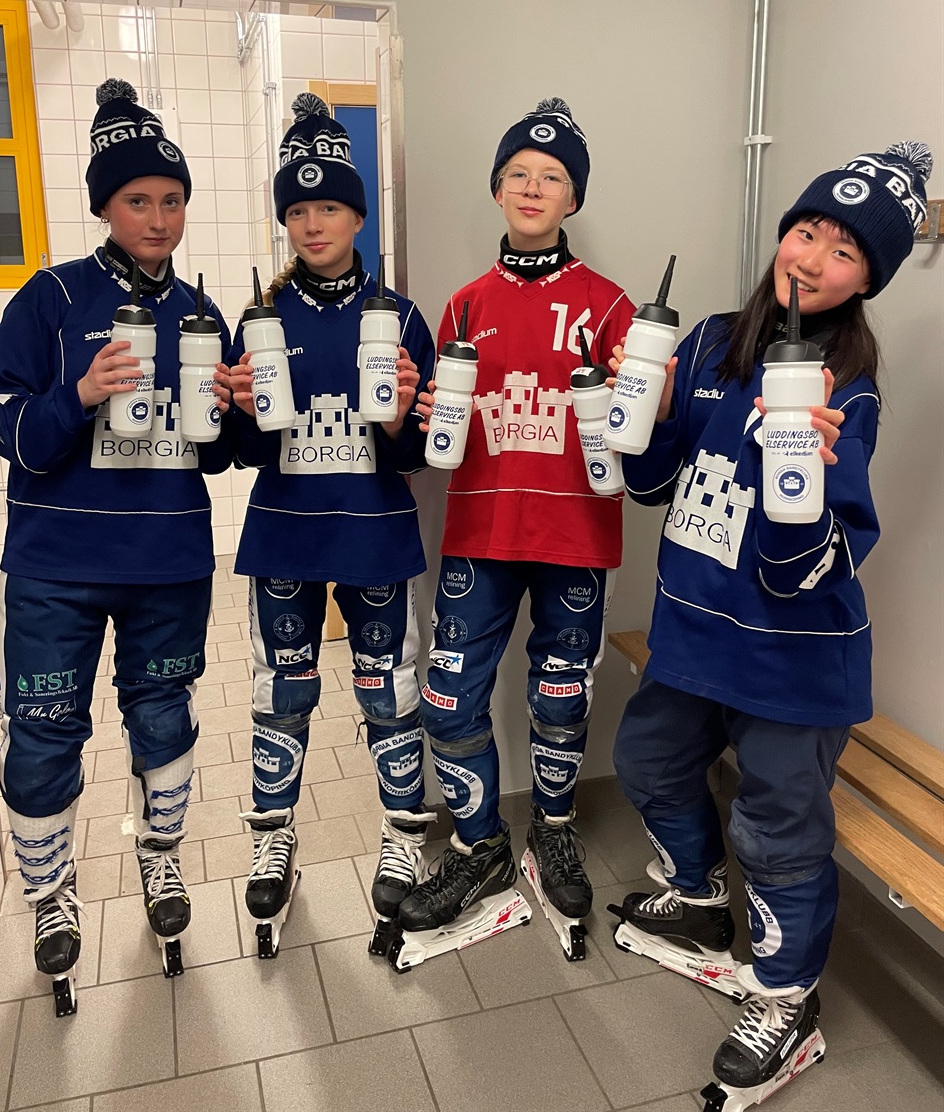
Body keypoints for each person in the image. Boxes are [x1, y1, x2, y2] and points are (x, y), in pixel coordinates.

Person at [609, 142, 933, 1100]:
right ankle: (702, 897)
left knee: (777, 829)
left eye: (845, 250)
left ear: (867, 279)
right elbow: (649, 483)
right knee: (647, 761)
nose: (814, 257)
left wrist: (811, 479)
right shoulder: (712, 338)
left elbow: (809, 568)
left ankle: (787, 1000)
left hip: (794, 659)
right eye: (808, 231)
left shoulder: (849, 393)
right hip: (695, 634)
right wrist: (645, 408)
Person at [0, 79, 234, 1013]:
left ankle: (161, 859)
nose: (158, 219)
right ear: (104, 207)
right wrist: (75, 396)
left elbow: (216, 455)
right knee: (45, 732)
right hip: (56, 569)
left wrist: (234, 410)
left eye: (172, 199)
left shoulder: (201, 311)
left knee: (164, 719)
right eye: (137, 200)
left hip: (169, 564)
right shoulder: (49, 297)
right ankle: (51, 893)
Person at [399, 98, 635, 957]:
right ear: (497, 189)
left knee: (561, 694)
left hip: (575, 536)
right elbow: (437, 434)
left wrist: (647, 391)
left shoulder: (610, 306)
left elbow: (641, 427)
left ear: (574, 198)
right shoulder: (462, 306)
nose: (533, 188)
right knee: (449, 693)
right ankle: (480, 845)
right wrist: (422, 408)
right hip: (481, 533)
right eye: (518, 174)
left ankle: (554, 829)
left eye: (553, 176)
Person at [225, 93, 436, 955]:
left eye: (330, 207)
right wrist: (239, 410)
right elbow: (242, 451)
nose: (314, 224)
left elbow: (418, 453)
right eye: (299, 210)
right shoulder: (261, 317)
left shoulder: (399, 315)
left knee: (388, 689)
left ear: (358, 215)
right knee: (283, 691)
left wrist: (404, 418)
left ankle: (402, 835)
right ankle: (273, 840)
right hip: (285, 534)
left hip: (375, 534)